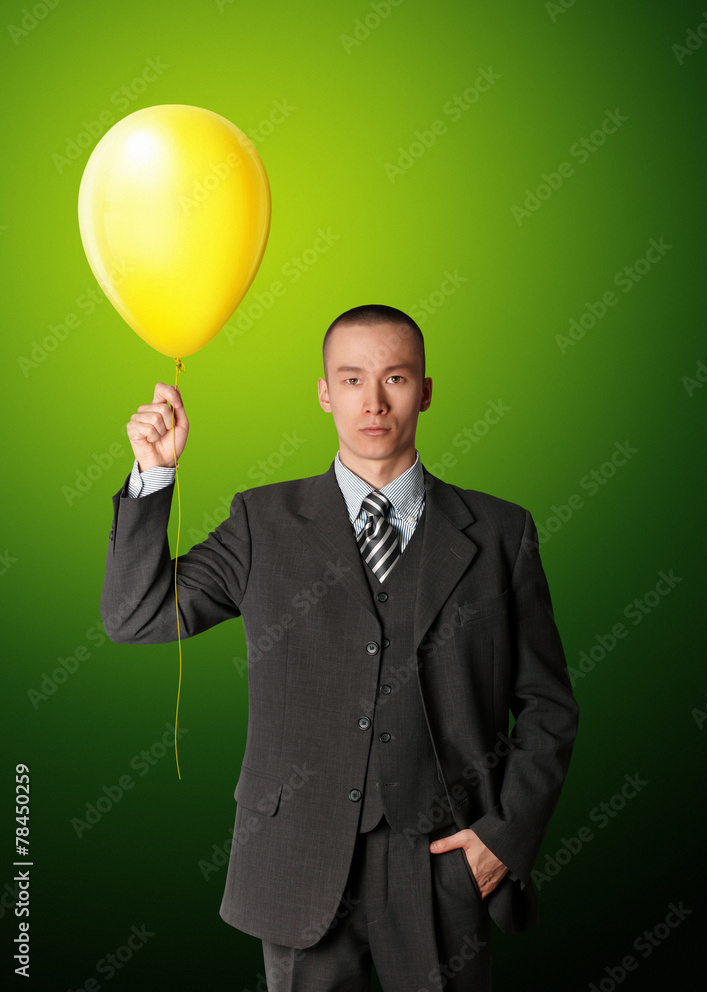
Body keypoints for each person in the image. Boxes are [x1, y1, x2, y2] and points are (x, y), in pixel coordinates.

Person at [100, 304, 579, 992]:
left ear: (425, 391)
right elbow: (135, 615)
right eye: (352, 380)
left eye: (395, 378)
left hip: (445, 862)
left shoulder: (502, 532)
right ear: (325, 393)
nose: (373, 402)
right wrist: (153, 476)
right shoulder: (261, 522)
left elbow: (547, 707)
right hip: (296, 863)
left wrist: (501, 840)